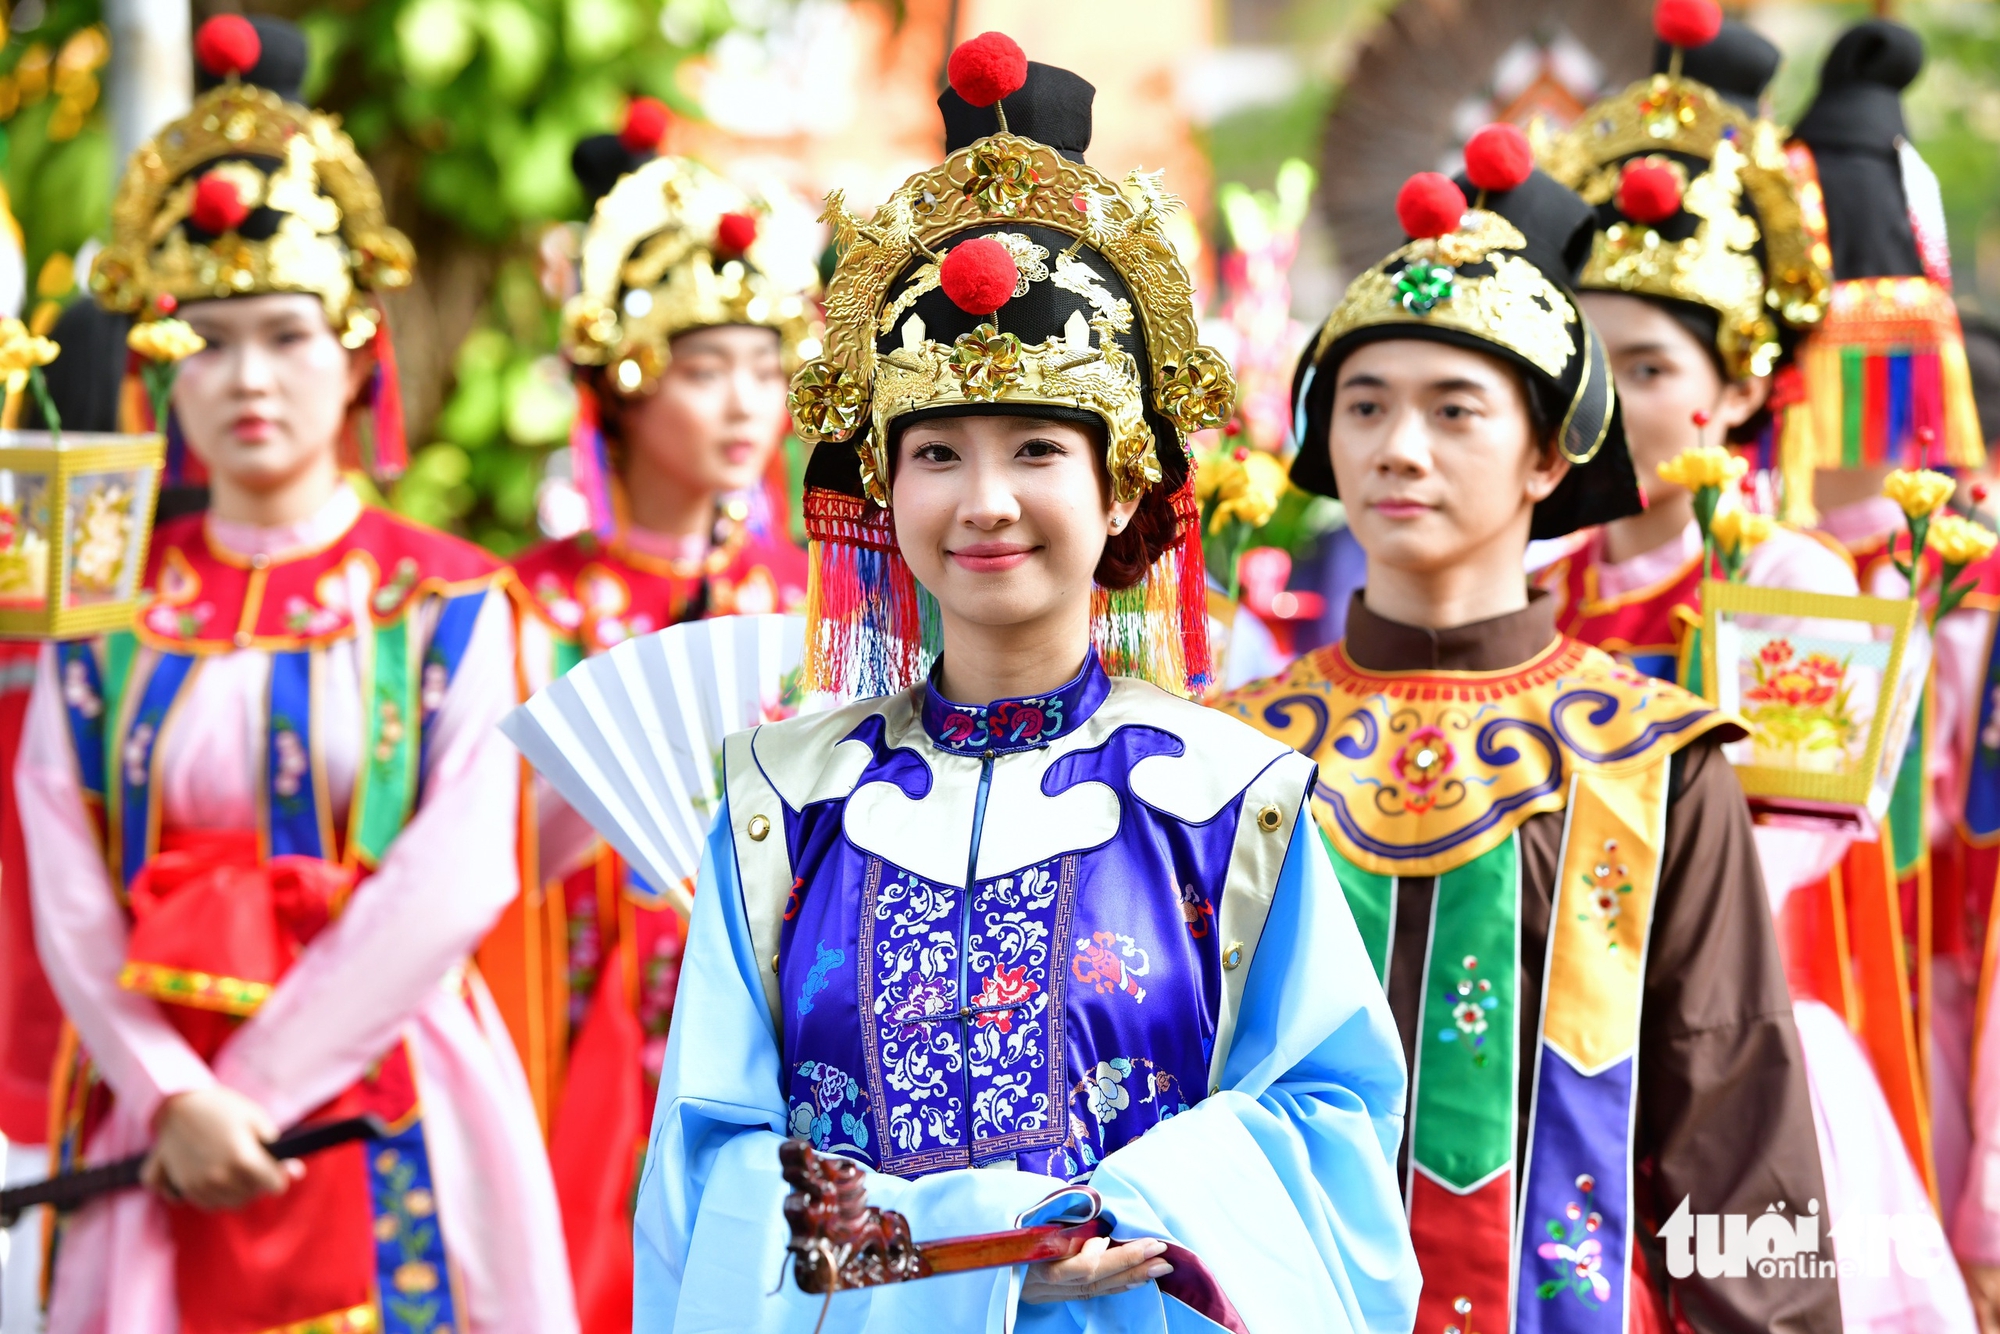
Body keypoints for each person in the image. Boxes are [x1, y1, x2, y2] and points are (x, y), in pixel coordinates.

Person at [614, 34, 1418, 1331]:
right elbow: (711, 1167)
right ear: (884, 486)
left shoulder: (1234, 804)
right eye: (937, 451)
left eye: (1039, 446)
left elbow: (1331, 1130)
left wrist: (1143, 1205)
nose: (985, 502)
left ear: (1119, 491)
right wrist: (980, 1252)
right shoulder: (779, 804)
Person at [1216, 115, 1840, 1331]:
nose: (1398, 448)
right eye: (1363, 405)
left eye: (1455, 410)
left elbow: (1730, 1111)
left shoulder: (1653, 758)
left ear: (1549, 455)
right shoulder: (1228, 751)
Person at [16, 16, 575, 1332]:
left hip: (387, 1084)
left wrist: (251, 1093)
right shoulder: (105, 611)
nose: (248, 377)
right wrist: (170, 1094)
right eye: (206, 340)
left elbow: (460, 870)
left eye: (284, 333)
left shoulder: (442, 600)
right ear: (163, 365)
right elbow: (65, 873)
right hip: (154, 1094)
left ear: (356, 348)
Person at [1535, 12, 1976, 1330]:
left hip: (1736, 1015)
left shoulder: (1786, 572)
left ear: (1735, 395)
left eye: (1657, 366)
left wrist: (1615, 925)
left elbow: (1794, 837)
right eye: (1595, 356)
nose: (1619, 390)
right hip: (1551, 1035)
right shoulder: (1536, 572)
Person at [510, 114, 819, 1334]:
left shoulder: (811, 603)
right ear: (625, 379)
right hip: (583, 1016)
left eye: (763, 363)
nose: (745, 404)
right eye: (704, 368)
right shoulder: (532, 605)